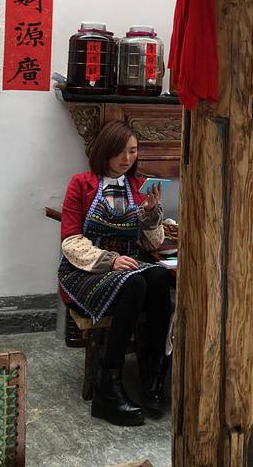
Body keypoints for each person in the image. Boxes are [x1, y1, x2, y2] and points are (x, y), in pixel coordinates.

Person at [58, 120, 172, 426]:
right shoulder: (81, 184)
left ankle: (153, 376)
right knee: (135, 285)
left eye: (132, 151)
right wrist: (110, 260)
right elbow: (70, 241)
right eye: (120, 151)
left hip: (128, 265)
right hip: (86, 270)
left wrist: (150, 214)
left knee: (159, 277)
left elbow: (153, 244)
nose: (127, 158)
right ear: (104, 151)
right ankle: (108, 383)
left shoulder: (138, 187)